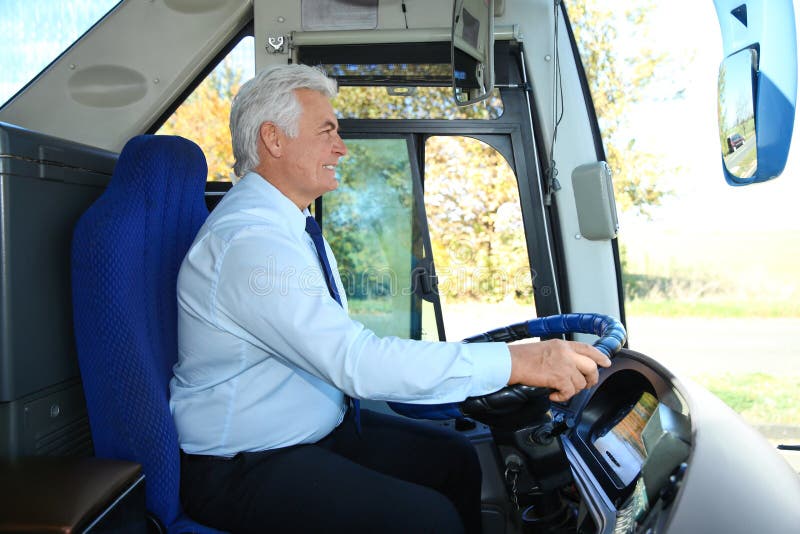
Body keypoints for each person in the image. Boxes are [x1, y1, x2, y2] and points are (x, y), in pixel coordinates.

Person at [169, 64, 611, 533]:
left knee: (457, 461)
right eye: (327, 131)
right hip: (244, 463)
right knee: (427, 521)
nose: (340, 147)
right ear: (274, 140)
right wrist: (517, 361)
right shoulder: (250, 244)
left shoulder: (286, 227)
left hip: (312, 431)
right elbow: (355, 362)